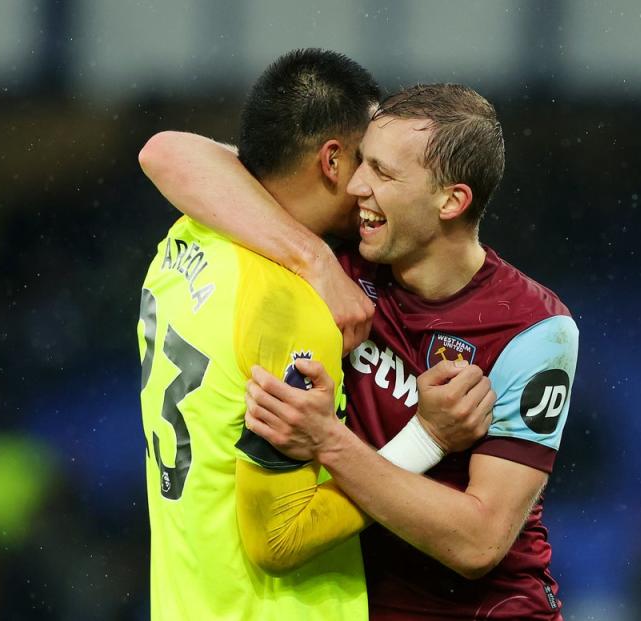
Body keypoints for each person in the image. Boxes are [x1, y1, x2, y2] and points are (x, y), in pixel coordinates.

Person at [142, 83, 579, 620]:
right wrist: (314, 260)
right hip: (361, 601)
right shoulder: (341, 251)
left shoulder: (535, 329)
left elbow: (479, 544)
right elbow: (167, 152)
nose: (355, 185)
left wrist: (334, 441)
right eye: (361, 162)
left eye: (383, 173)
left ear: (452, 200)